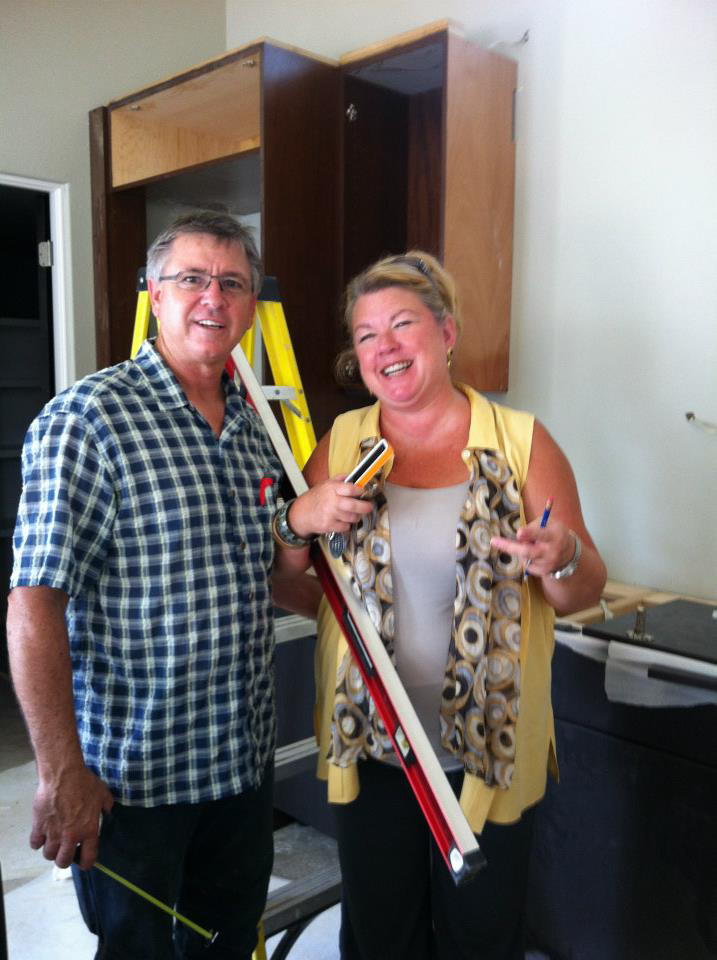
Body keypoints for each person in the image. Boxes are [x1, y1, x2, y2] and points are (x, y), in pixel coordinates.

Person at [6, 210, 321, 960]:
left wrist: (377, 614)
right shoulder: (89, 416)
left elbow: (267, 581)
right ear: (154, 290)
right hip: (134, 785)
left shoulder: (254, 428)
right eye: (191, 279)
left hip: (240, 770)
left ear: (249, 306)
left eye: (232, 284)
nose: (213, 297)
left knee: (223, 943)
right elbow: (32, 604)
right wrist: (61, 772)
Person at [279, 251, 608, 960]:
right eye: (365, 335)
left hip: (487, 747)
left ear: (446, 333)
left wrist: (562, 558)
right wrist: (298, 523)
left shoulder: (519, 442)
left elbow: (583, 589)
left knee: (480, 938)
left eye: (401, 325)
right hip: (373, 744)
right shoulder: (341, 442)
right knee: (379, 936)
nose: (383, 347)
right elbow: (289, 577)